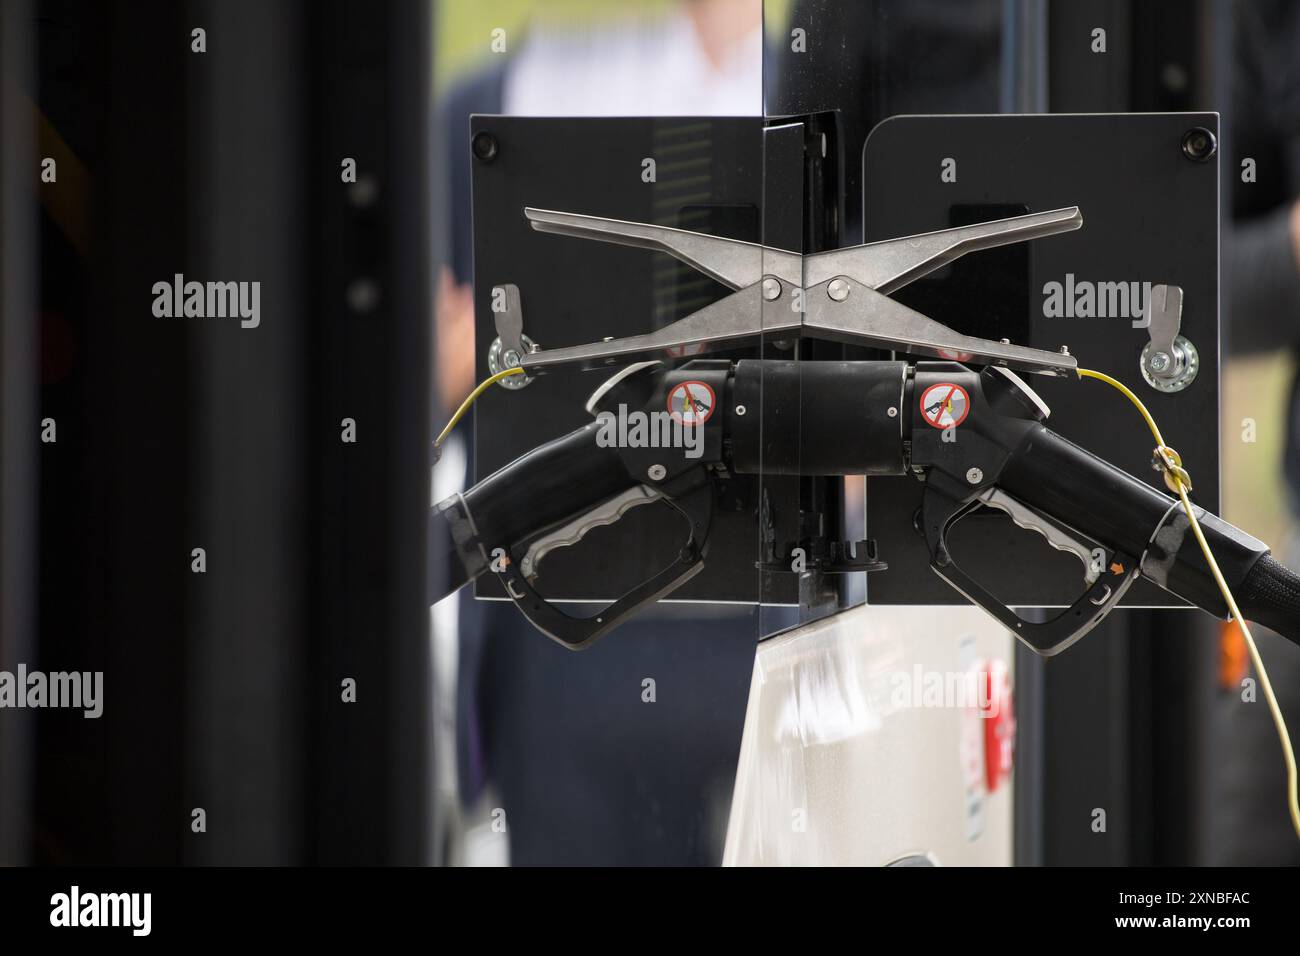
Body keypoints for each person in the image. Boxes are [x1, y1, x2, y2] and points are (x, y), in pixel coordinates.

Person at [431, 0, 767, 865]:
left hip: (761, 635)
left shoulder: (806, 100)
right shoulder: (483, 105)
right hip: (557, 639)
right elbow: (430, 359)